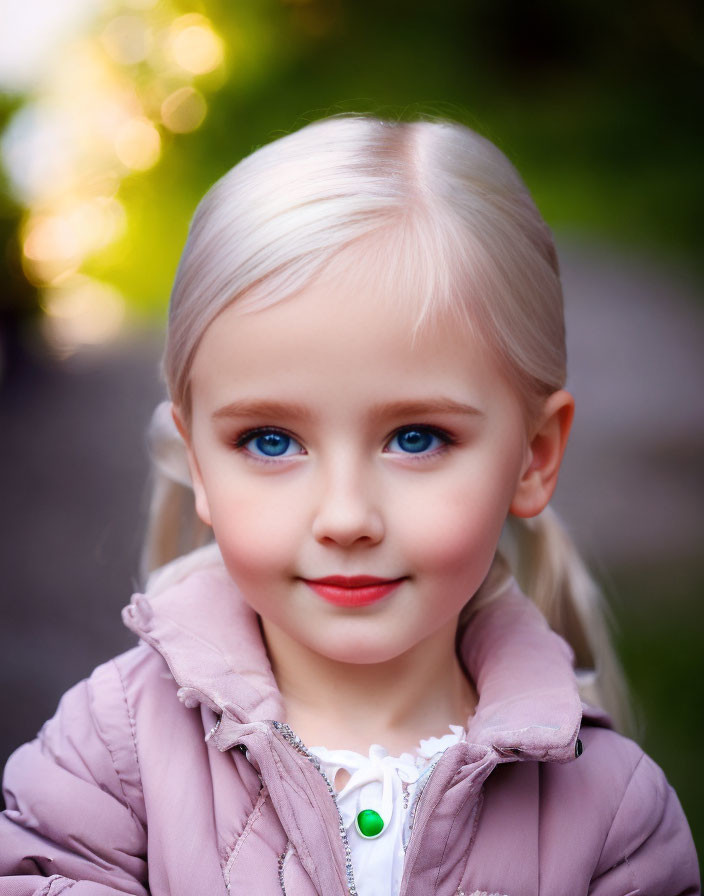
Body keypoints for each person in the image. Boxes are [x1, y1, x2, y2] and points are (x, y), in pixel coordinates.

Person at [0, 115, 698, 896]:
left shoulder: (611, 815)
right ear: (198, 459)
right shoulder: (109, 759)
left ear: (534, 456)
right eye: (270, 441)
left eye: (416, 438)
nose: (345, 517)